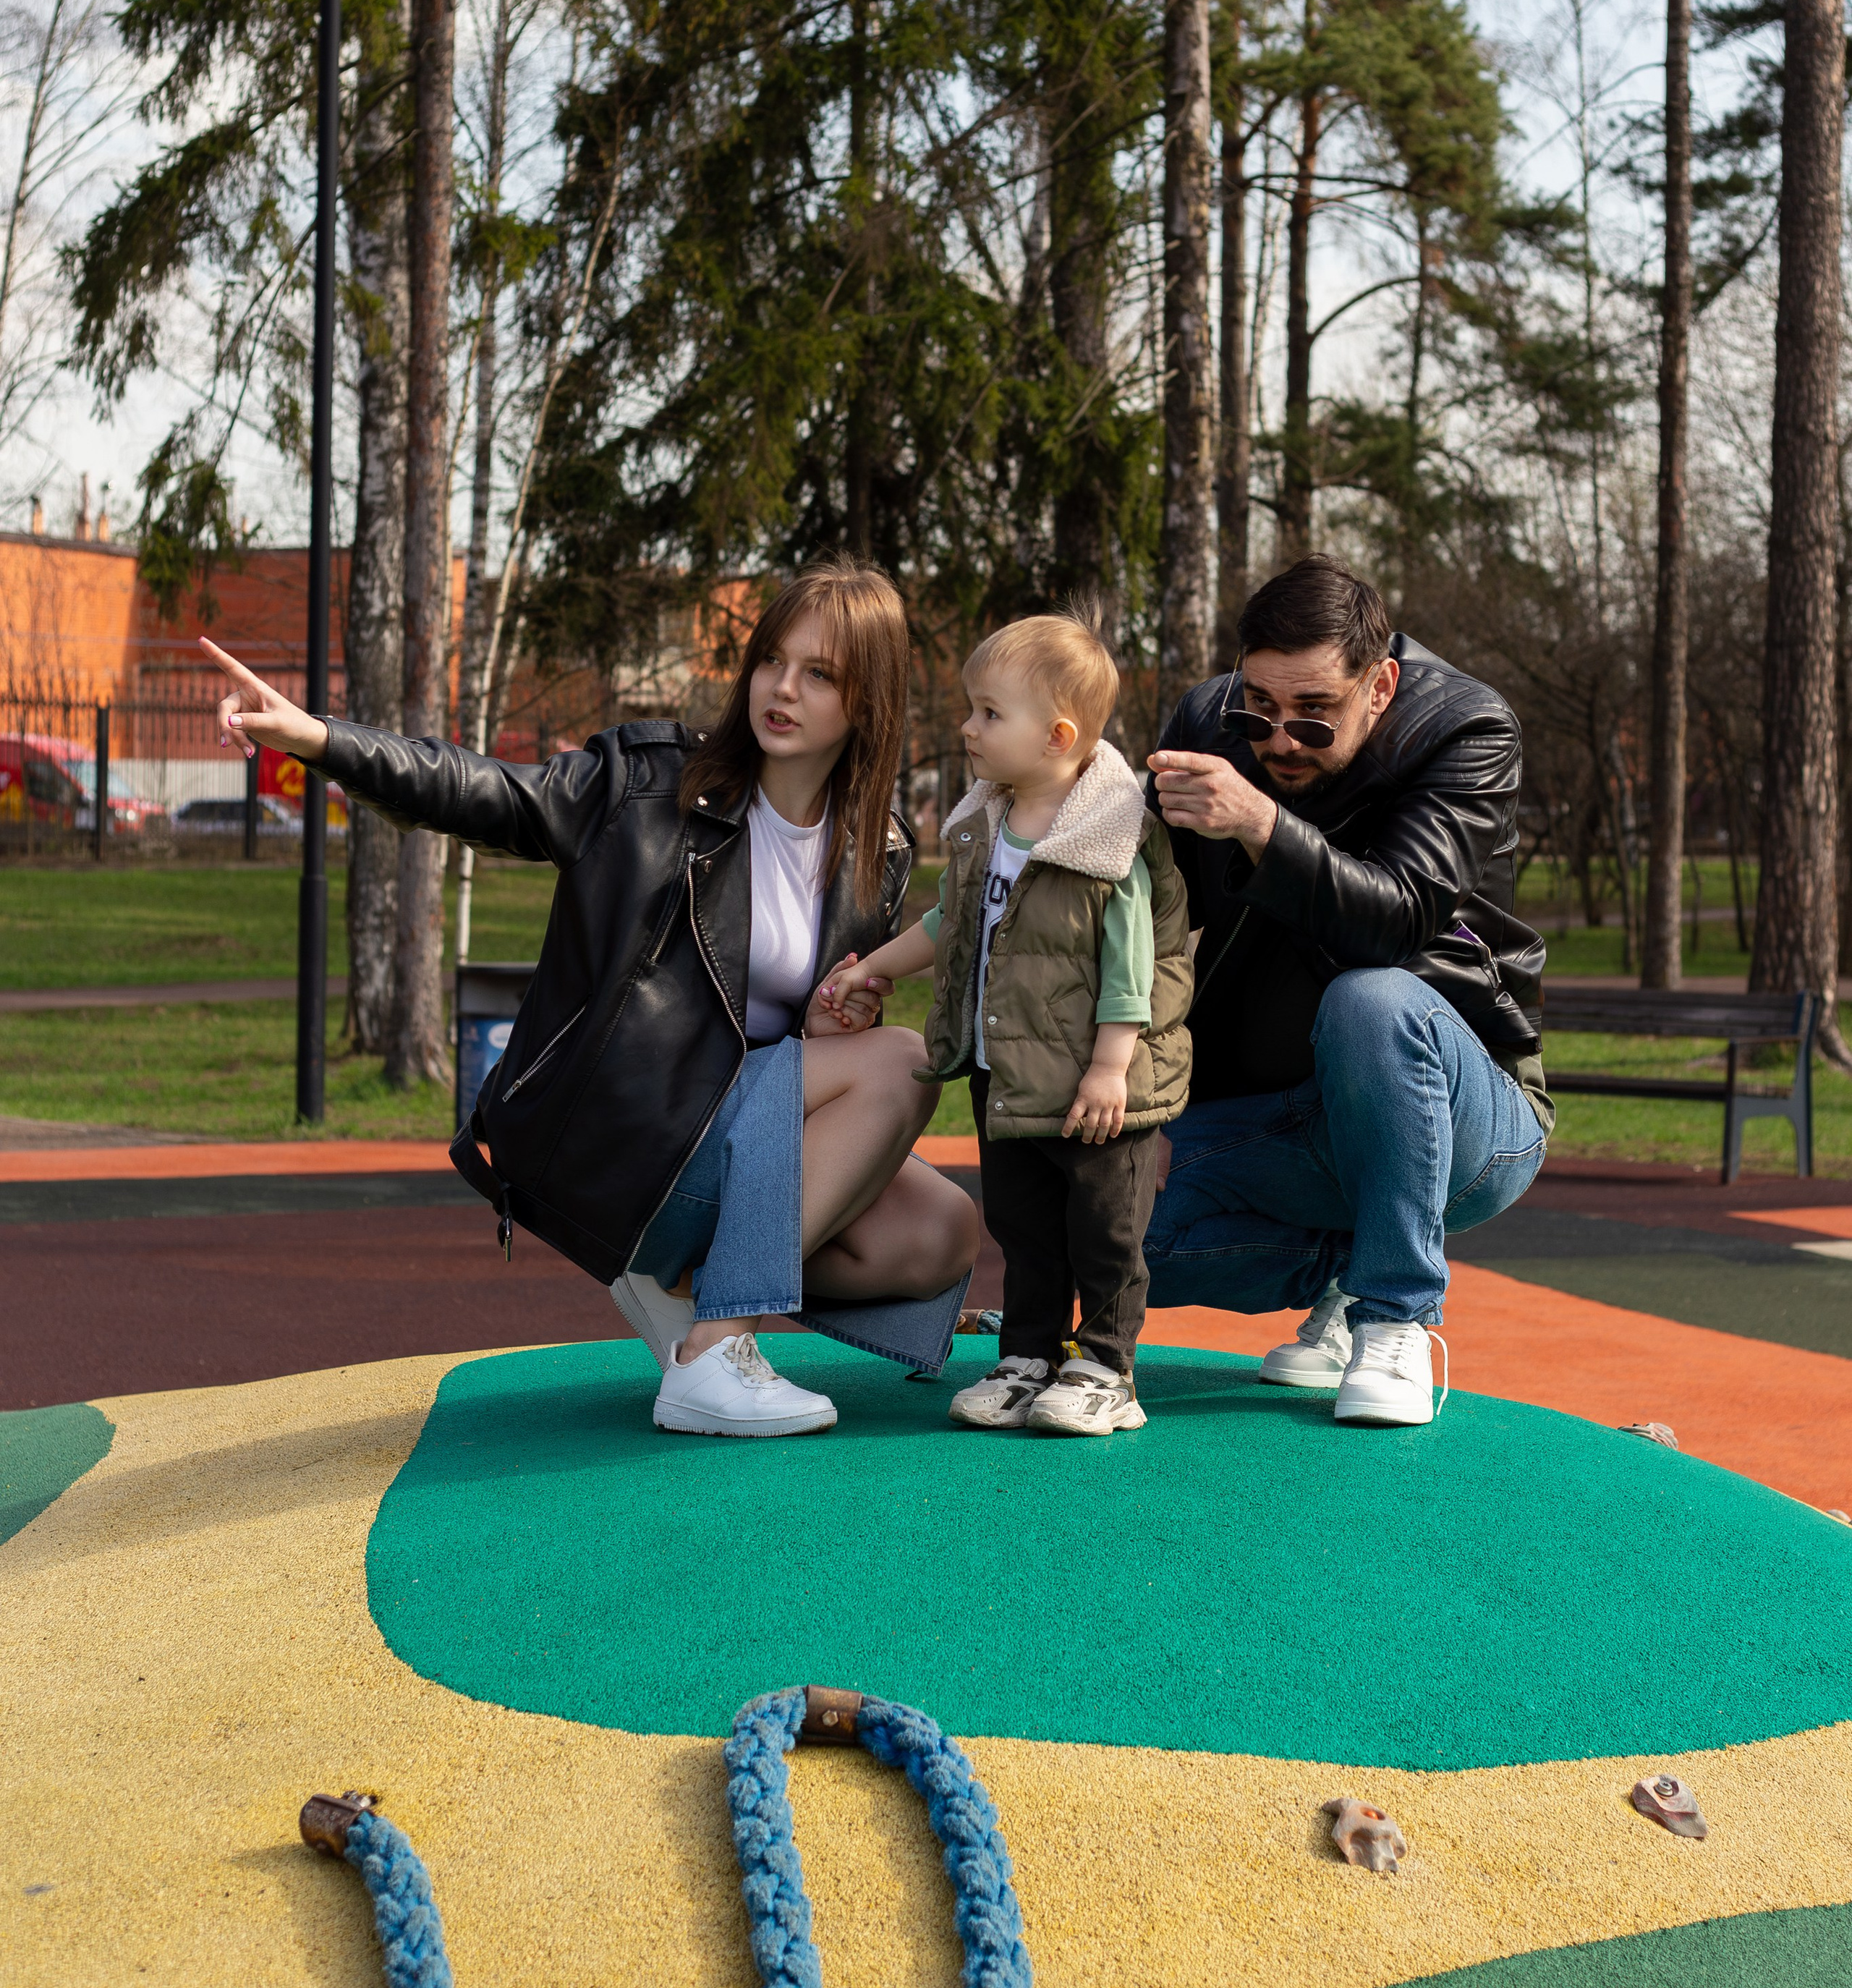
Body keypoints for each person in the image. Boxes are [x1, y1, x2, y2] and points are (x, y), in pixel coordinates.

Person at [202, 560, 979, 1441]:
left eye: (821, 674)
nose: (783, 689)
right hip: (640, 1132)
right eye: (773, 660)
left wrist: (823, 1021)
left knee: (943, 1231)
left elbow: (787, 1033)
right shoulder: (650, 785)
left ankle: (687, 1280)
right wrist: (319, 738)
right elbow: (487, 793)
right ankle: (715, 1350)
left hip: (740, 1136)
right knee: (906, 1062)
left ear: (866, 702)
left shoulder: (874, 849)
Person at [1143, 553, 1550, 1430]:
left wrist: (1258, 821)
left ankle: (1395, 1316)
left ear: (1381, 685)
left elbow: (1396, 921)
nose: (1280, 738)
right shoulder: (1210, 724)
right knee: (1102, 1222)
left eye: (1315, 714)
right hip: (1282, 1123)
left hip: (1466, 1113)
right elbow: (1132, 910)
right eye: (1260, 704)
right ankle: (1351, 1268)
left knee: (1371, 998)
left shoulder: (1465, 728)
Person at [833, 612, 1192, 1436]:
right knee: (1025, 1229)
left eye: (990, 713)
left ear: (1057, 734)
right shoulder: (989, 823)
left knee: (1103, 1234)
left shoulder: (1108, 836)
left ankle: (1105, 1367)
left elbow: (1131, 964)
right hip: (1009, 1075)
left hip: (1098, 1088)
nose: (968, 726)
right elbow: (950, 924)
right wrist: (874, 967)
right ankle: (1029, 1356)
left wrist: (1109, 1067)